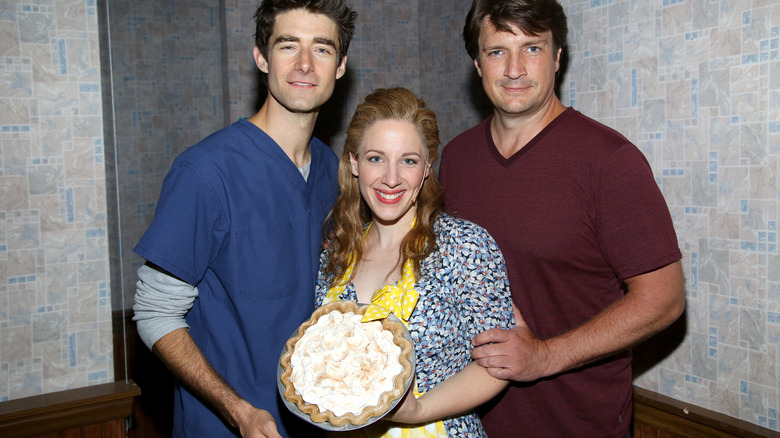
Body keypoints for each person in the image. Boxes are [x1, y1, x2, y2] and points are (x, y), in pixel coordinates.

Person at [438, 1, 686, 437]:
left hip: (577, 423)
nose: (514, 69)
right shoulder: (455, 159)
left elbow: (663, 299)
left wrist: (545, 357)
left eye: (532, 49)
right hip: (468, 420)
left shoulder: (609, 161)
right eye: (497, 51)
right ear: (477, 64)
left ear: (557, 58)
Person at [131, 1, 357, 437]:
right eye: (288, 45)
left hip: (318, 423)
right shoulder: (206, 172)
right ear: (261, 57)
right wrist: (238, 411)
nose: (305, 64)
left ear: (341, 65)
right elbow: (155, 313)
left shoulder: (335, 174)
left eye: (323, 49)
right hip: (228, 425)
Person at [314, 87, 515, 437]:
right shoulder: (335, 256)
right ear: (353, 163)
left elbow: (497, 364)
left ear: (426, 169)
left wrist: (418, 409)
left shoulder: (464, 246)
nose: (391, 179)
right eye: (376, 158)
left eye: (408, 160)